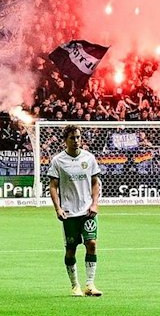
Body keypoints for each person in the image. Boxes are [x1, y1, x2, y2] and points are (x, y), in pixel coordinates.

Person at [45, 126, 102, 298]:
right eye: (72, 138)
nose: (76, 140)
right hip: (69, 213)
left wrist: (95, 204)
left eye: (78, 137)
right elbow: (53, 186)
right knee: (71, 249)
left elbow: (95, 182)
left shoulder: (89, 158)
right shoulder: (58, 161)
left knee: (91, 244)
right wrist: (58, 208)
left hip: (87, 212)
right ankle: (75, 286)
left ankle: (90, 285)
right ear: (65, 140)